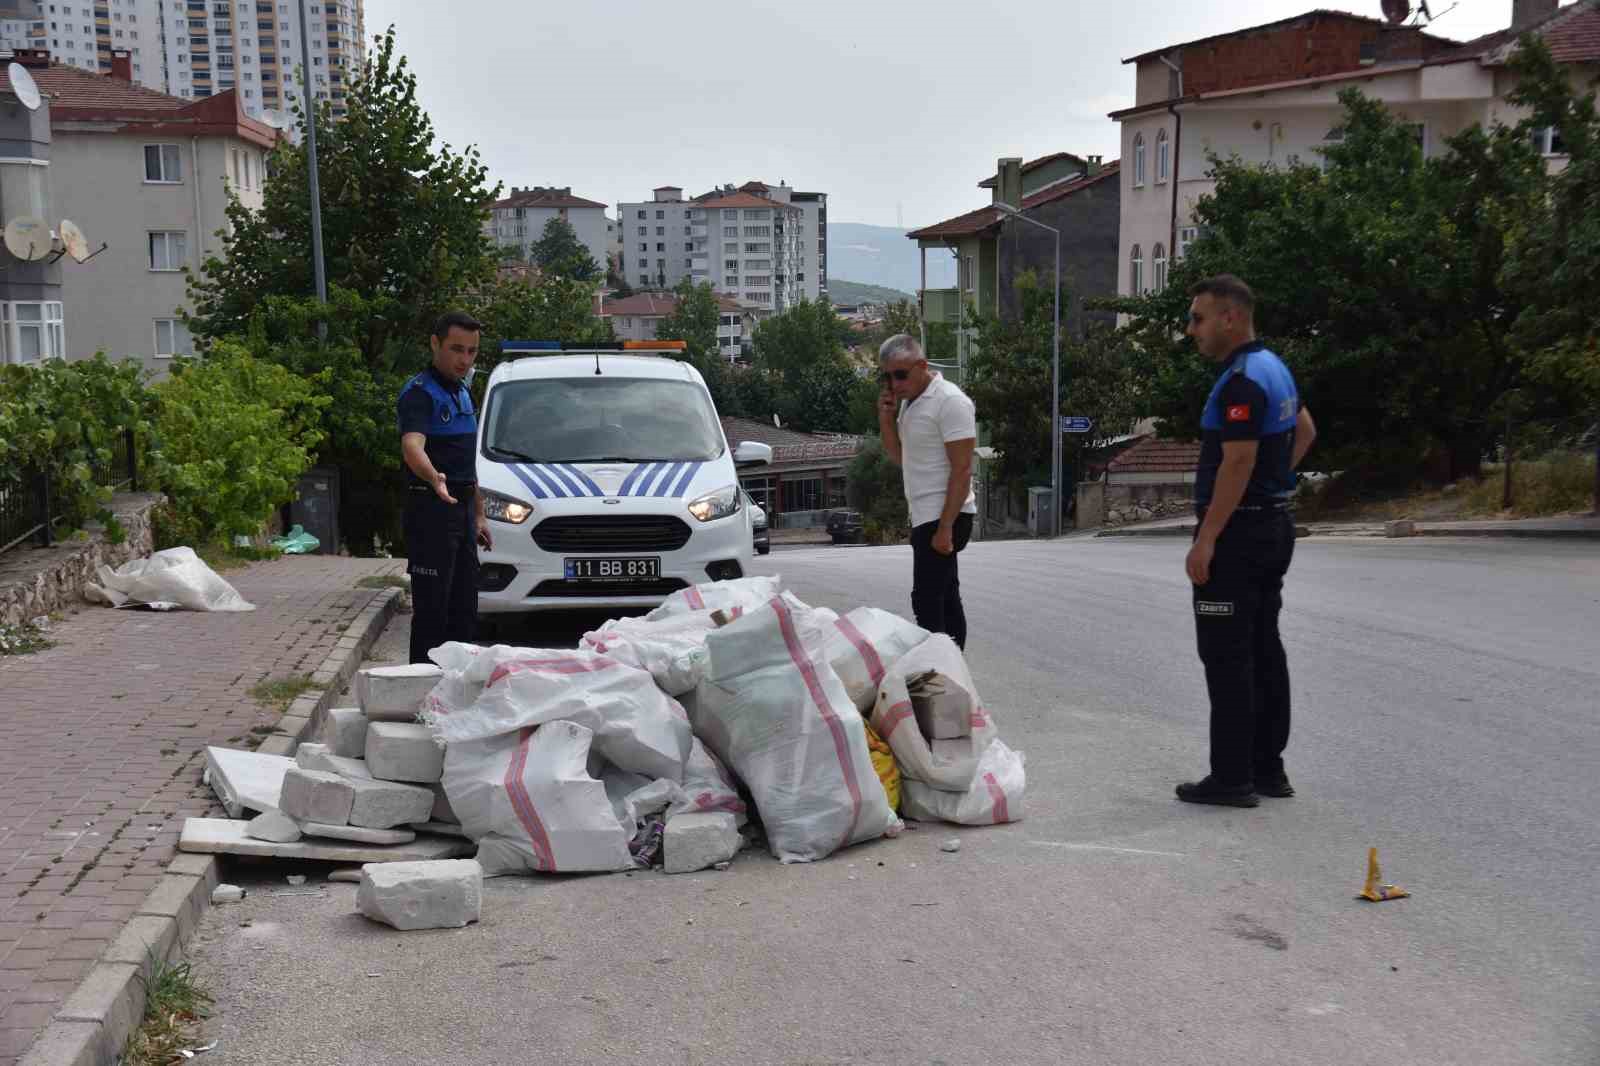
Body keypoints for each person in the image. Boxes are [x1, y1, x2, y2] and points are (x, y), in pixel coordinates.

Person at [1177, 275, 1317, 807]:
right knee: (1263, 647)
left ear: (1230, 318)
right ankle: (1267, 769)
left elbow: (1236, 461)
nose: (1192, 330)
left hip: (1239, 535)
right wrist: (1272, 481)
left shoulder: (1241, 381)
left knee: (1227, 654)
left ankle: (1232, 777)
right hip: (1274, 525)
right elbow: (1304, 432)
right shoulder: (1273, 368)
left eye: (1199, 318)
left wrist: (1207, 537)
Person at [398, 311, 490, 665]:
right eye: (456, 349)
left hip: (463, 512)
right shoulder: (420, 394)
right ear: (435, 344)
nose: (465, 360)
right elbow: (412, 446)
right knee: (433, 614)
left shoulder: (463, 393)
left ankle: (459, 696)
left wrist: (479, 513)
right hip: (431, 511)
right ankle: (420, 697)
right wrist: (432, 476)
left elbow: (467, 464)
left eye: (472, 351)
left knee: (464, 611)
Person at [876, 334, 978, 648]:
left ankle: (940, 667)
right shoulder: (911, 403)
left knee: (926, 600)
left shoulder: (950, 401)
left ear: (922, 366)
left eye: (901, 374)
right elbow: (900, 458)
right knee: (945, 596)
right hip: (926, 515)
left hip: (947, 514)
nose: (894, 384)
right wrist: (886, 419)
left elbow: (962, 469)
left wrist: (946, 527)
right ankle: (951, 669)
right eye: (887, 376)